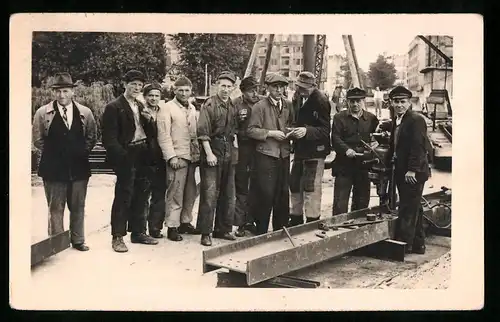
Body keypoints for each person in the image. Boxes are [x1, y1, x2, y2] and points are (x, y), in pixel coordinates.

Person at [32, 72, 97, 251]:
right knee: (56, 207)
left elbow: (91, 137)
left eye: (66, 91)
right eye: (59, 91)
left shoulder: (85, 112)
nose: (62, 95)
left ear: (72, 92)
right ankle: (56, 243)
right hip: (53, 168)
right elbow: (38, 140)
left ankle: (78, 240)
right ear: (54, 92)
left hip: (79, 167)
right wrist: (55, 154)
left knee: (78, 206)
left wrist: (80, 152)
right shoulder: (43, 113)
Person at [101, 69, 159, 253]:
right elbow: (109, 139)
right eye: (133, 84)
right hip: (127, 155)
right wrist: (123, 157)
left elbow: (150, 133)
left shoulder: (141, 105)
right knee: (124, 195)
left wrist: (150, 122)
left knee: (142, 195)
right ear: (125, 84)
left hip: (143, 153)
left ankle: (138, 232)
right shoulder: (114, 107)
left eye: (140, 85)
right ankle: (117, 237)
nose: (136, 88)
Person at [247, 73, 296, 235]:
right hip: (266, 155)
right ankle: (261, 231)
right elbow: (251, 130)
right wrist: (271, 133)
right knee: (265, 194)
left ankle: (280, 230)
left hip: (283, 155)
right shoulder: (259, 107)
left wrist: (291, 132)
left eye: (282, 86)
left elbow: (290, 124)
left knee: (282, 193)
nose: (279, 90)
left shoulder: (288, 105)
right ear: (267, 88)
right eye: (275, 86)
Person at [386, 86, 432, 254]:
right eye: (396, 102)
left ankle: (404, 245)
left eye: (402, 102)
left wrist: (412, 170)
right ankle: (419, 244)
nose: (399, 105)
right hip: (403, 171)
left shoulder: (415, 119)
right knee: (414, 207)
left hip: (413, 173)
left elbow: (418, 147)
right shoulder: (398, 120)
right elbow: (396, 145)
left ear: (409, 102)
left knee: (407, 207)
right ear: (391, 103)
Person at [196, 71, 239, 246]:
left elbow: (234, 130)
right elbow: (203, 132)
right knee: (210, 193)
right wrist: (209, 154)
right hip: (212, 149)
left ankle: (223, 228)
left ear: (233, 88)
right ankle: (206, 232)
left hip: (228, 150)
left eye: (229, 86)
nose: (225, 89)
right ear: (217, 86)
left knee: (228, 193)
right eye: (223, 86)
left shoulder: (232, 105)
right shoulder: (209, 105)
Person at [157, 76, 201, 241]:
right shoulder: (167, 108)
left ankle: (185, 222)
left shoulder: (191, 108)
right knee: (175, 192)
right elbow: (163, 135)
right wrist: (171, 156)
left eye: (186, 90)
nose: (183, 93)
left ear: (191, 91)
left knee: (190, 192)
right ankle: (172, 226)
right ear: (174, 90)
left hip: (192, 157)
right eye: (180, 90)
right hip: (177, 157)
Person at [288, 72, 332, 226]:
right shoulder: (297, 97)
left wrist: (306, 131)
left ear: (314, 86)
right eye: (299, 87)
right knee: (295, 185)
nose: (301, 90)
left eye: (305, 88)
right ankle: (295, 218)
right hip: (300, 150)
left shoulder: (321, 100)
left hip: (315, 151)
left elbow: (326, 130)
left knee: (311, 188)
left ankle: (312, 221)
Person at [330, 87, 379, 216]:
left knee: (362, 202)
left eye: (358, 101)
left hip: (363, 165)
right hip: (344, 165)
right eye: (352, 101)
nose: (355, 104)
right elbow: (335, 138)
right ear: (347, 102)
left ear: (363, 101)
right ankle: (338, 229)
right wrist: (347, 150)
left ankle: (358, 227)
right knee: (340, 202)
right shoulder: (339, 118)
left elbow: (376, 137)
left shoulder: (372, 119)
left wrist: (374, 144)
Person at [232, 76, 262, 237]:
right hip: (243, 149)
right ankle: (240, 223)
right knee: (242, 186)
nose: (255, 93)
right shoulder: (236, 104)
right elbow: (232, 127)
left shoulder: (261, 102)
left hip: (259, 148)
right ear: (243, 92)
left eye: (256, 89)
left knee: (257, 186)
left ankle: (253, 221)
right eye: (251, 91)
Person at [141, 82, 168, 239]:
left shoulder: (163, 112)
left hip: (160, 156)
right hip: (145, 156)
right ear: (145, 97)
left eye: (156, 95)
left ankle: (155, 227)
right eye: (150, 95)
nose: (153, 98)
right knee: (144, 193)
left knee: (159, 192)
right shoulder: (141, 112)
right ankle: (141, 228)